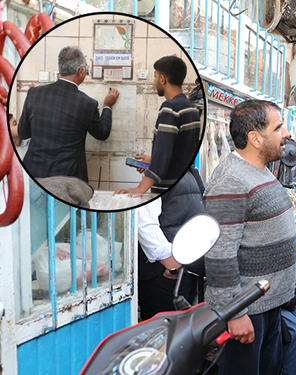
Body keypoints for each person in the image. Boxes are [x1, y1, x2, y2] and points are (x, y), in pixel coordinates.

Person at [203, 99, 296, 375]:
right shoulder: (232, 180)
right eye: (279, 127)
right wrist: (235, 313)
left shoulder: (259, 171)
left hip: (266, 306)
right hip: (246, 311)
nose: (287, 133)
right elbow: (219, 254)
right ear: (255, 138)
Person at [18, 46, 119, 182]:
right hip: (68, 180)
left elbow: (23, 133)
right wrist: (108, 106)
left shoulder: (34, 94)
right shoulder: (87, 104)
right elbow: (102, 134)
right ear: (80, 71)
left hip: (33, 174)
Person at [115, 56, 201, 196]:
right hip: (187, 185)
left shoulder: (170, 107)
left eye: (155, 77)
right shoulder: (190, 107)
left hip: (170, 191)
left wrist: (140, 189)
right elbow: (181, 151)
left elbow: (163, 153)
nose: (154, 82)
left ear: (163, 79)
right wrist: (153, 160)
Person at [137, 165, 206, 320]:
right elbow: (145, 223)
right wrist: (172, 263)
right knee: (162, 334)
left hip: (185, 269)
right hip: (166, 273)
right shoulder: (160, 173)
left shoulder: (189, 170)